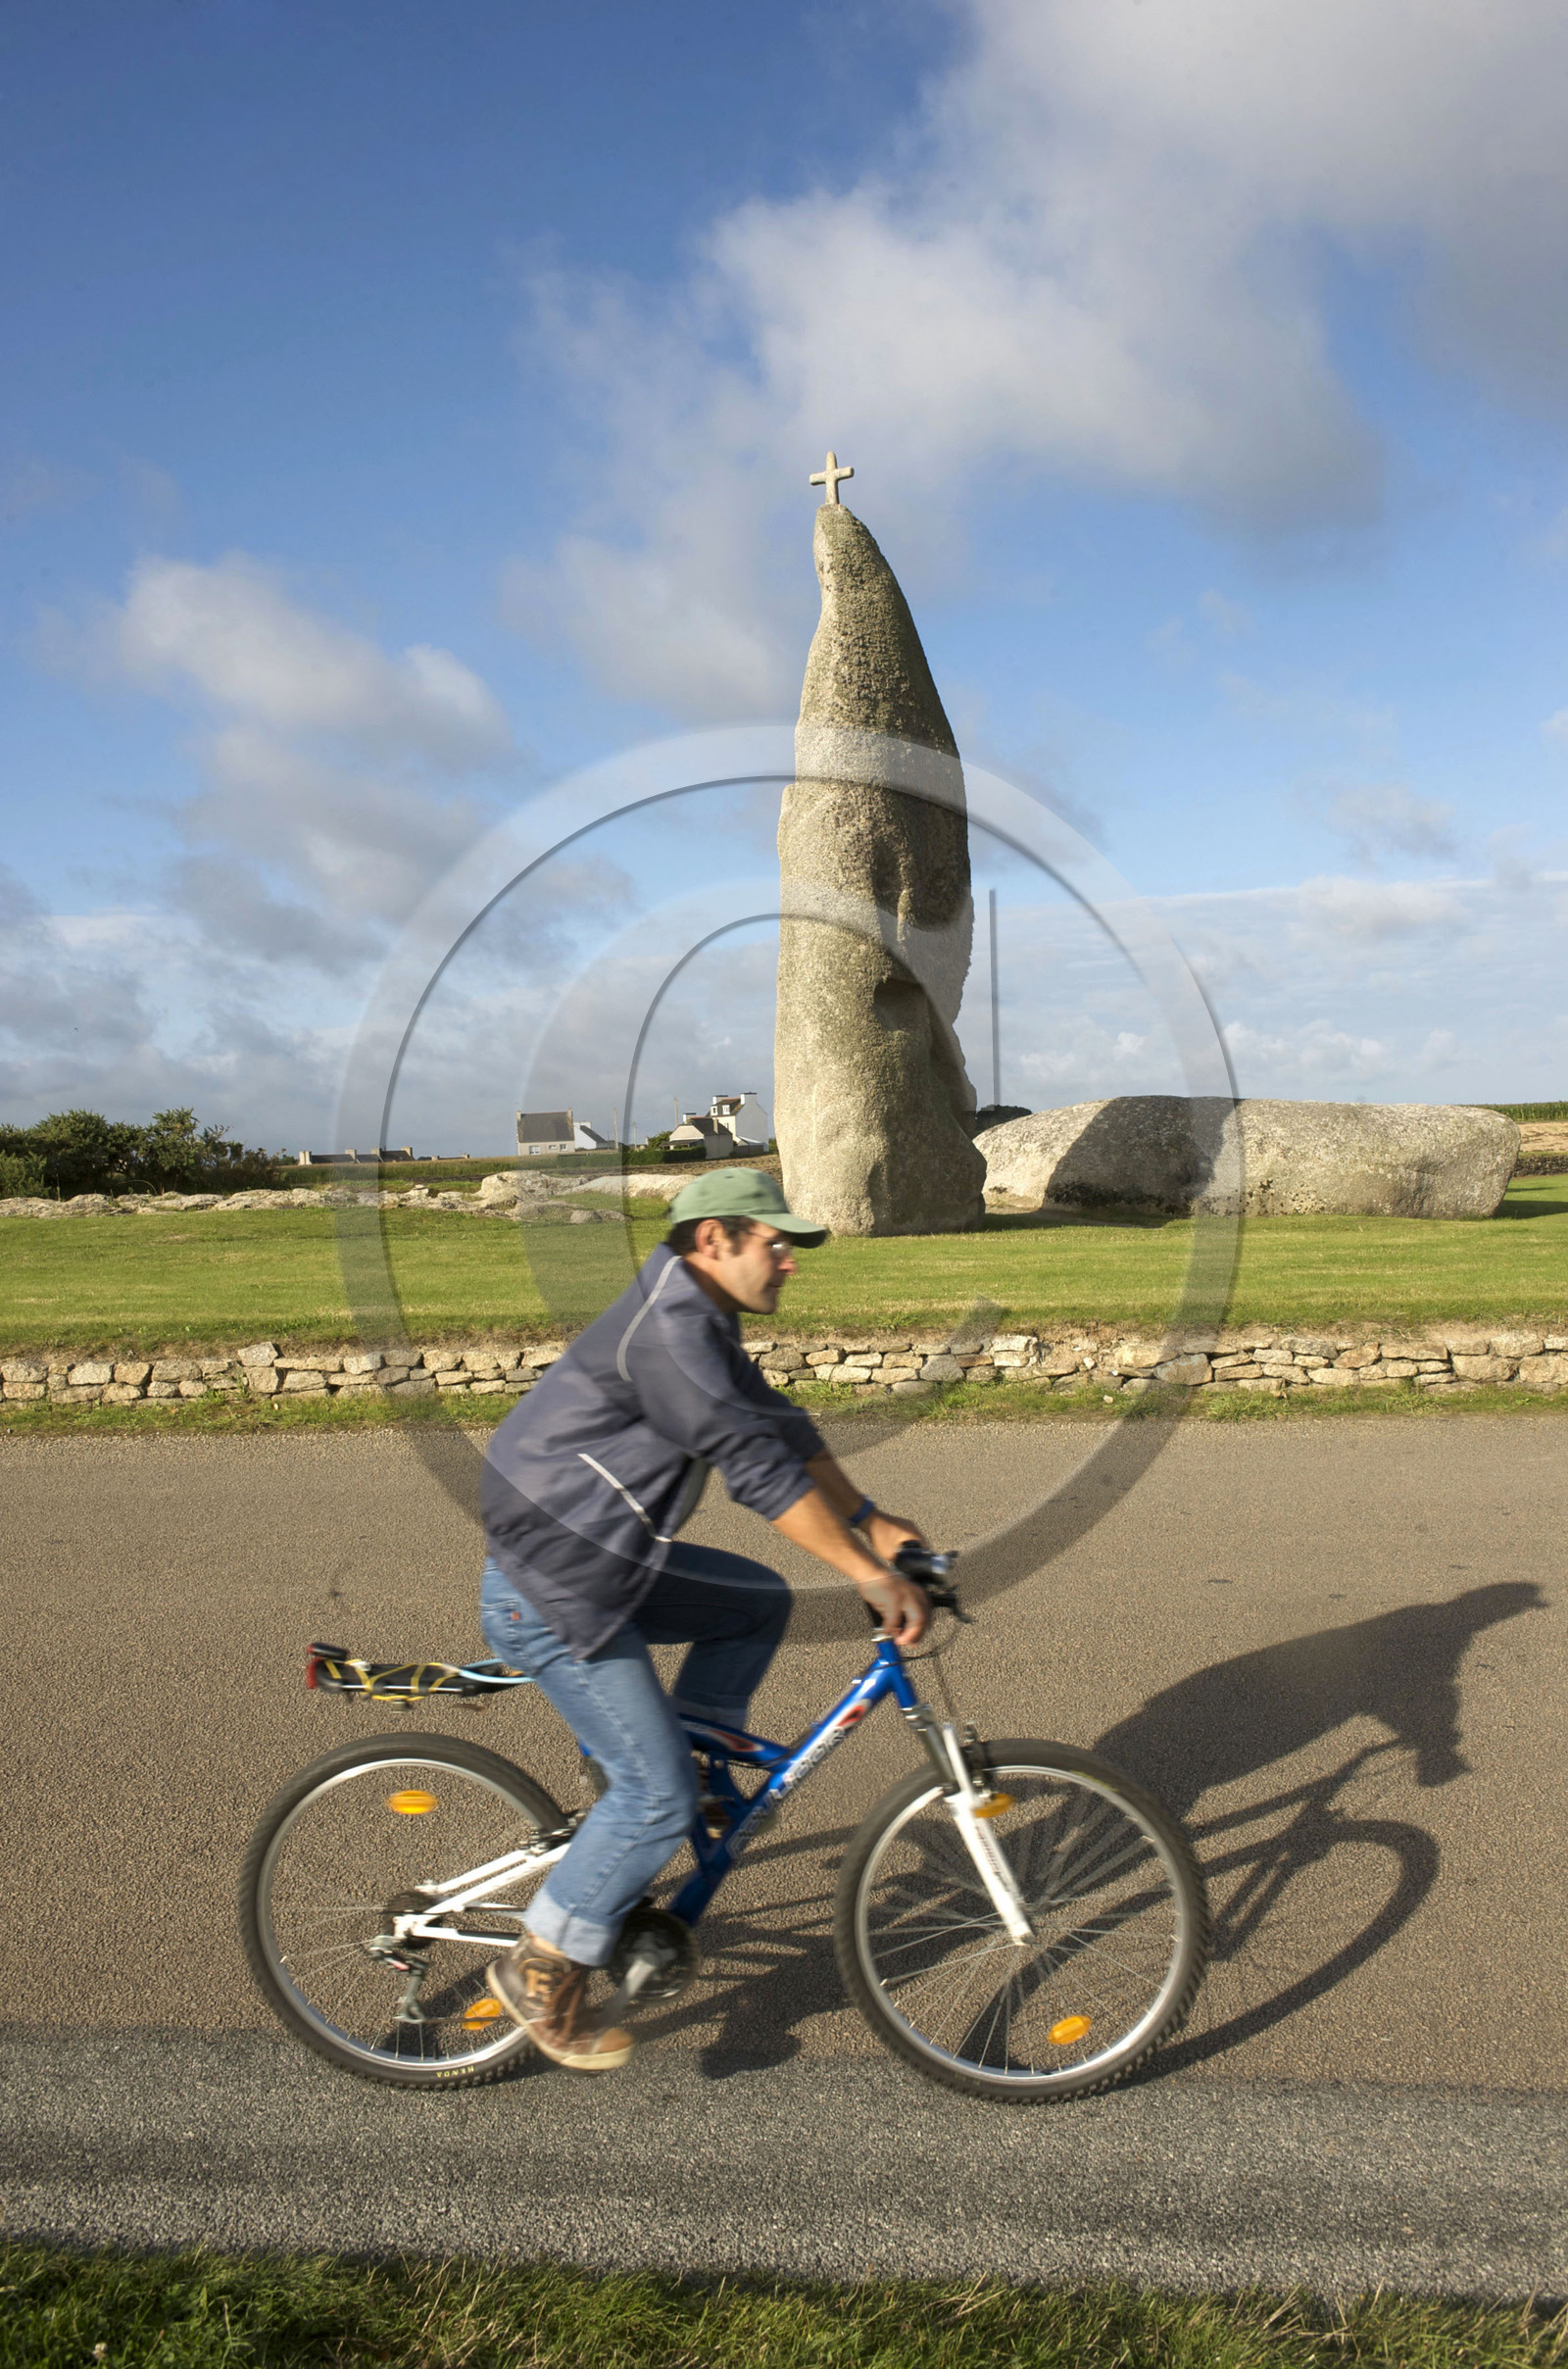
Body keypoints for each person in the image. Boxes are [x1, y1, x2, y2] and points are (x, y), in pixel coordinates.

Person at [478, 1164, 931, 2072]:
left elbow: (781, 1427)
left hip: (608, 1560)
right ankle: (541, 1961)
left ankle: (666, 1769)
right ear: (714, 1238)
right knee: (657, 1800)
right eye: (776, 1242)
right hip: (557, 1585)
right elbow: (758, 1476)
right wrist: (868, 1574)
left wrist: (870, 1516)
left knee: (753, 1603)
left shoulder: (699, 1312)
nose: (790, 1262)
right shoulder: (672, 1331)